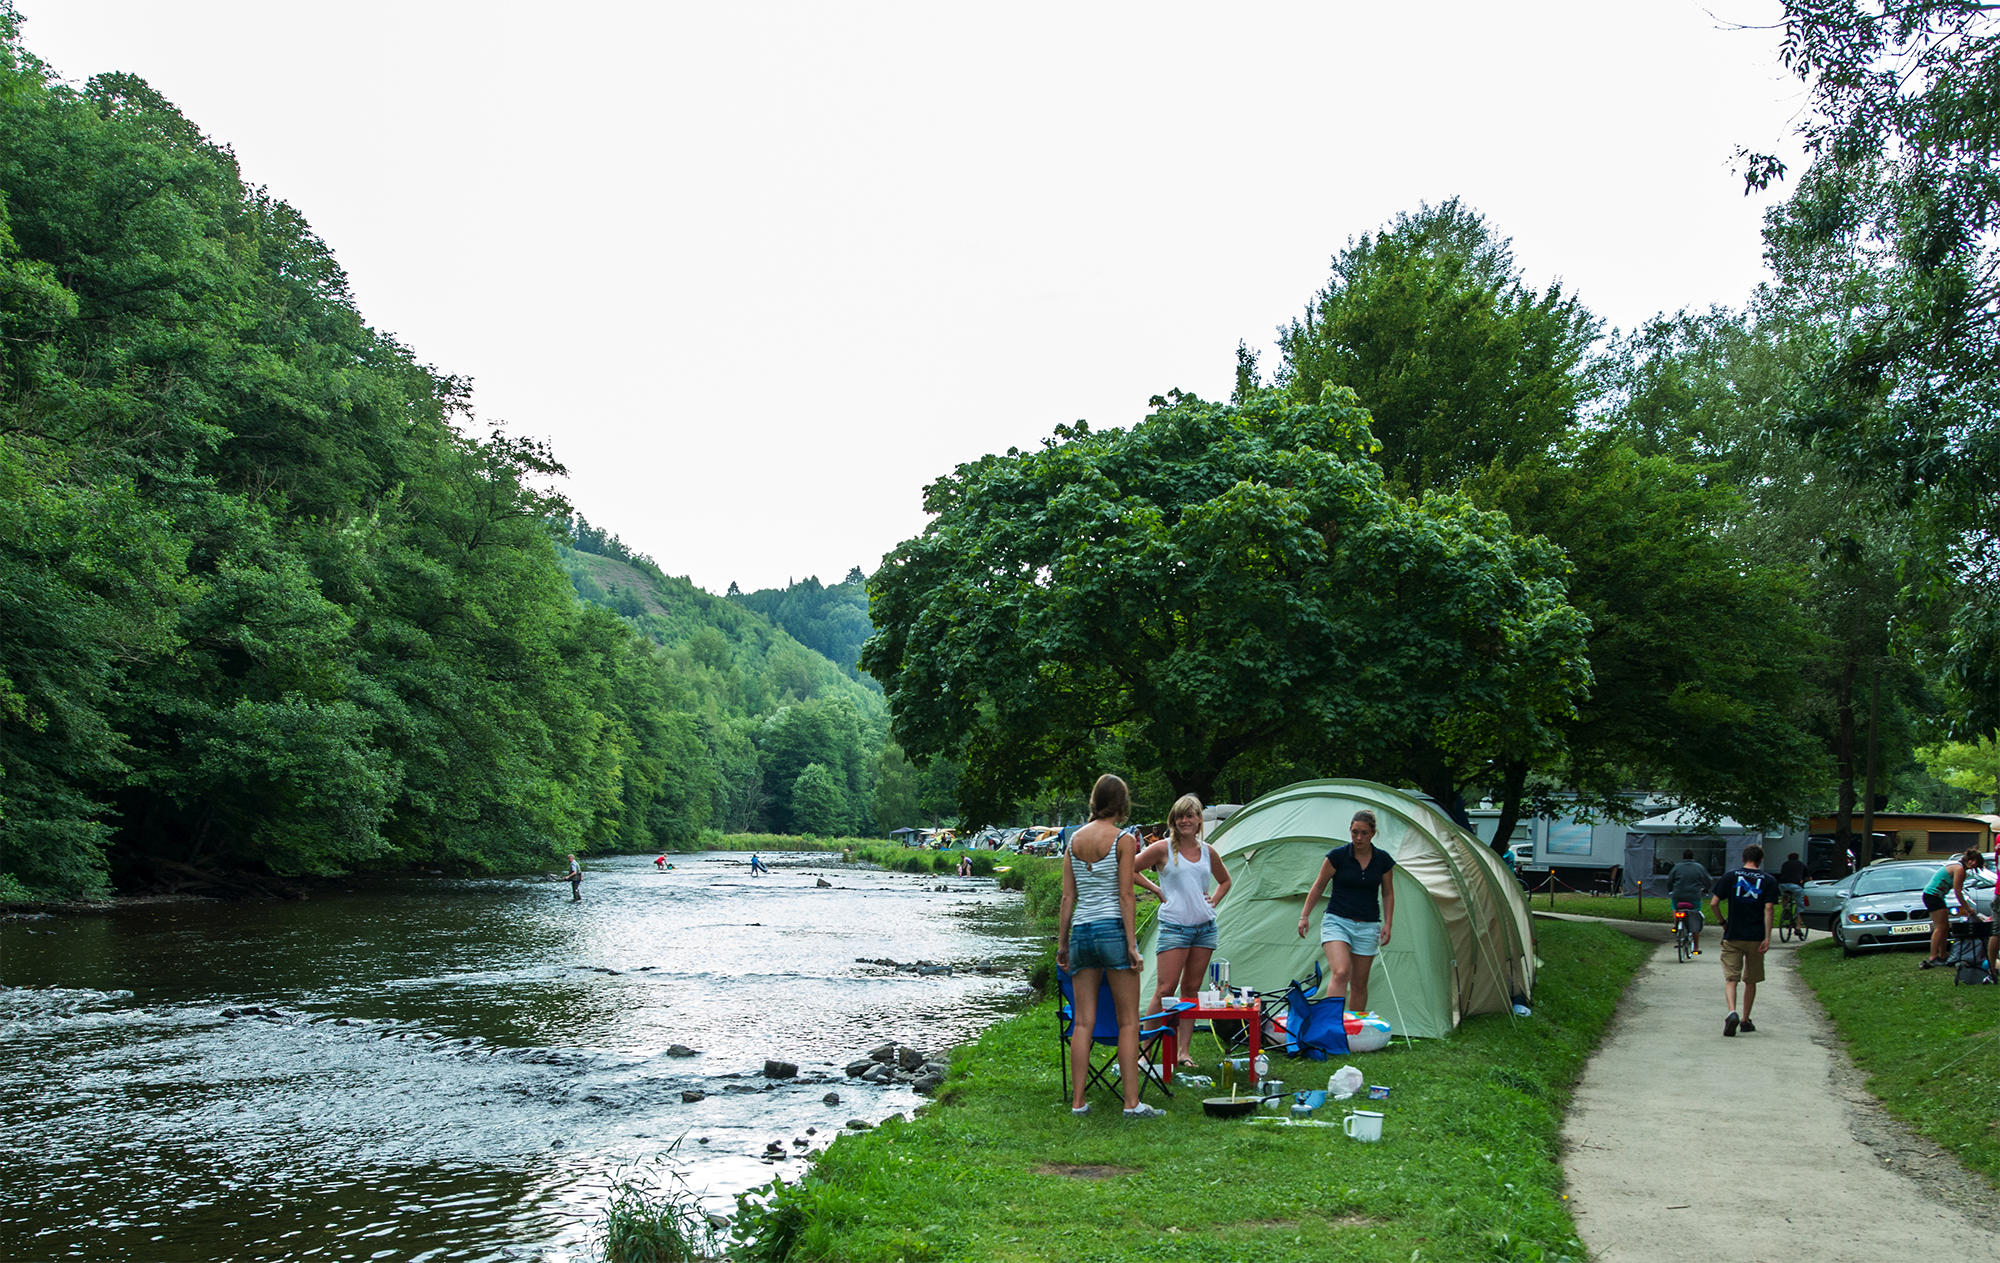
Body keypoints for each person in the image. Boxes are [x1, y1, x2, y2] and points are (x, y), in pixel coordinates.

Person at [1056, 774, 1164, 1119]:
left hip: (1081, 933)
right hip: (1112, 930)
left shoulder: (1073, 841)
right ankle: (1131, 1104)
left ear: (1094, 801)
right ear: (1121, 804)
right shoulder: (1122, 839)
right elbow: (1126, 894)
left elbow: (1068, 897)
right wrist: (1132, 945)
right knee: (1128, 1021)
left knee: (1082, 1022)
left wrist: (1062, 944)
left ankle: (1078, 1103)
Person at [1136, 794, 1233, 1066]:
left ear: (1199, 819)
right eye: (1179, 816)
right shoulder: (1163, 848)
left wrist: (1213, 901)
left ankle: (1183, 1052)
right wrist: (1155, 889)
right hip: (1174, 928)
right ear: (1173, 820)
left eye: (1190, 815)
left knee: (1190, 990)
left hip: (1204, 929)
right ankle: (1145, 1053)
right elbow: (1129, 869)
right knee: (1164, 989)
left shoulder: (1208, 851)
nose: (1184, 821)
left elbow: (1225, 881)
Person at [1296, 809, 1395, 1017]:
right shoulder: (1338, 856)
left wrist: (1388, 924)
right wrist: (1304, 916)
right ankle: (1332, 1024)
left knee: (1359, 982)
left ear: (1373, 833)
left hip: (1368, 924)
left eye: (1364, 833)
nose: (1358, 838)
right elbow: (1318, 886)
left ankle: (1354, 1027)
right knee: (1341, 972)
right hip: (1337, 921)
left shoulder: (1383, 860)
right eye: (1354, 832)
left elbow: (1388, 893)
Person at [1708, 844, 1779, 1036]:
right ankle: (1746, 1020)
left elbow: (1714, 903)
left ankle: (1732, 1012)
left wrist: (1723, 923)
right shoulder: (1769, 880)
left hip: (1733, 934)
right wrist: (1767, 937)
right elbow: (1769, 908)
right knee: (1751, 980)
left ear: (1743, 858)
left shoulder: (1730, 876)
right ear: (1760, 860)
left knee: (1731, 978)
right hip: (1756, 937)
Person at [1920, 850, 1985, 970]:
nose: (1973, 863)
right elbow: (1958, 891)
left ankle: (1943, 954)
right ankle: (1933, 957)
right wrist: (1967, 908)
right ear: (1967, 859)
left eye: (1976, 862)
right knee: (1940, 927)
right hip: (1932, 896)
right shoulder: (1959, 869)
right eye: (1972, 860)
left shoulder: (1960, 868)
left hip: (1937, 897)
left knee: (1945, 927)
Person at [1667, 849, 1713, 948]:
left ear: (1683, 857)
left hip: (1678, 896)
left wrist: (1671, 890)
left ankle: (1676, 926)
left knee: (1675, 907)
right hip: (1694, 897)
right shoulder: (1699, 867)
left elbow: (1669, 881)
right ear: (1693, 857)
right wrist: (1705, 889)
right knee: (1695, 919)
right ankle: (1696, 946)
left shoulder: (1677, 867)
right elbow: (1709, 881)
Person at [1777, 851, 1808, 926]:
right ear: (1797, 858)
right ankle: (1798, 927)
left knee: (1784, 895)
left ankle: (1785, 910)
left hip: (1783, 885)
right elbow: (1808, 878)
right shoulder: (1801, 864)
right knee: (1800, 906)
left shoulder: (1785, 864)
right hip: (1795, 886)